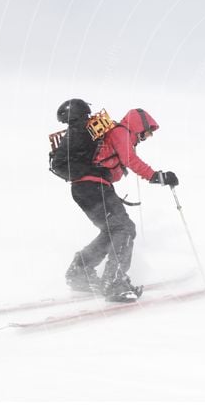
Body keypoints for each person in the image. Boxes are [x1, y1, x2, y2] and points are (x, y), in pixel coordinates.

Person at [57, 100, 179, 302]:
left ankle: (80, 272)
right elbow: (132, 160)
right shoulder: (121, 131)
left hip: (84, 188)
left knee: (113, 230)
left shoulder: (113, 135)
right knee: (124, 229)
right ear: (139, 125)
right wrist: (157, 176)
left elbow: (112, 165)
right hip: (93, 187)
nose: (147, 137)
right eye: (148, 132)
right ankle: (114, 283)